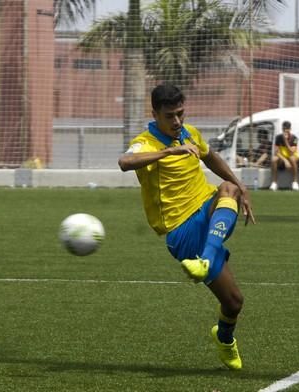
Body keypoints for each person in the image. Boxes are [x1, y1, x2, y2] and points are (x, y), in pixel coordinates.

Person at [118, 83, 255, 370]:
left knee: (228, 188)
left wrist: (241, 185)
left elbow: (210, 156)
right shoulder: (146, 142)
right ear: (155, 113)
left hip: (206, 207)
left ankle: (206, 259)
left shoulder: (189, 133)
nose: (177, 121)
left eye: (180, 113)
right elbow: (125, 161)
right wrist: (168, 153)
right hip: (181, 230)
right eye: (170, 116)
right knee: (234, 303)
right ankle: (224, 336)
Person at [269, 121, 299, 191]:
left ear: (290, 129)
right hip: (283, 158)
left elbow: (292, 151)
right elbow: (276, 152)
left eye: (287, 129)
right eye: (284, 129)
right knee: (274, 159)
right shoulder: (278, 137)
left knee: (292, 158)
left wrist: (285, 141)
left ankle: (295, 182)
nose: (285, 131)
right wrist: (285, 160)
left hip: (293, 158)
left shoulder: (294, 138)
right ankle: (274, 182)